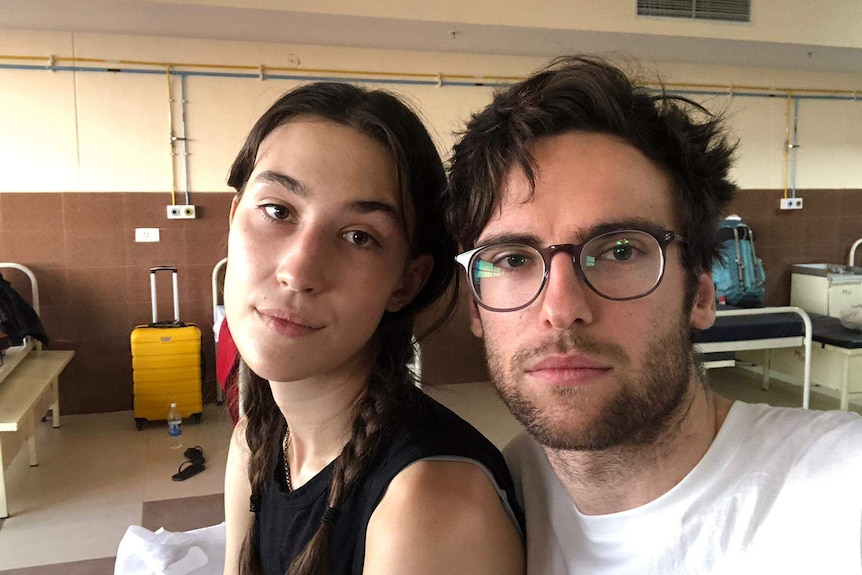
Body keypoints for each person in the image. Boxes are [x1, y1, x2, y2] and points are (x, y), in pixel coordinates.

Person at [445, 55, 862, 574]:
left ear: (702, 296)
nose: (562, 309)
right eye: (513, 259)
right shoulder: (493, 503)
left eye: (620, 251)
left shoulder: (843, 489)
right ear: (477, 310)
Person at [222, 83, 525, 575]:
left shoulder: (429, 503)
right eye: (278, 211)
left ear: (405, 283)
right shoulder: (255, 443)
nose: (298, 271)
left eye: (359, 237)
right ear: (235, 218)